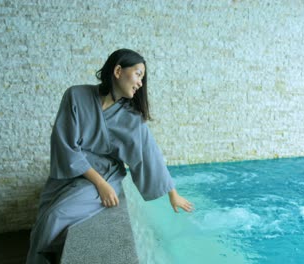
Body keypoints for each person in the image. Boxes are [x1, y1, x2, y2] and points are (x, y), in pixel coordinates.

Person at [26, 48, 193, 264]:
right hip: (70, 174)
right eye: (138, 74)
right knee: (43, 223)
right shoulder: (75, 96)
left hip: (107, 175)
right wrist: (99, 184)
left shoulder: (132, 119)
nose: (141, 83)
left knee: (54, 218)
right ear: (117, 71)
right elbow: (65, 146)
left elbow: (150, 154)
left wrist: (172, 193)